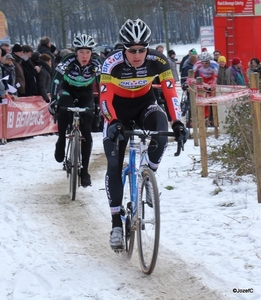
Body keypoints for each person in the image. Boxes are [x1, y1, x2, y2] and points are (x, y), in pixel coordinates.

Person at [99, 18, 188, 250]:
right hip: (117, 111)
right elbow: (105, 99)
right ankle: (116, 223)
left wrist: (177, 122)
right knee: (114, 163)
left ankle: (148, 173)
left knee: (160, 128)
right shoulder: (111, 63)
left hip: (144, 105)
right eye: (132, 50)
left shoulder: (158, 60)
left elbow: (170, 94)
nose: (137, 54)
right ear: (123, 48)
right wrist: (113, 121)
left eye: (141, 49)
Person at [49, 34, 103, 188]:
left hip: (86, 93)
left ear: (92, 52)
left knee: (87, 131)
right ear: (76, 52)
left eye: (87, 52)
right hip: (68, 90)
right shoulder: (68, 60)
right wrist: (53, 99)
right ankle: (61, 140)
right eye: (81, 52)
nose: (84, 56)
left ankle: (84, 171)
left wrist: (100, 103)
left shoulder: (97, 62)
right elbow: (56, 79)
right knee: (64, 110)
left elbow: (102, 84)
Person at [193, 52, 219, 120]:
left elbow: (215, 77)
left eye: (207, 63)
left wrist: (212, 86)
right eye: (203, 63)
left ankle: (211, 116)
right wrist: (188, 83)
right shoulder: (197, 64)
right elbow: (191, 76)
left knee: (210, 98)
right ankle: (198, 115)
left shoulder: (214, 65)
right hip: (202, 79)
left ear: (209, 61)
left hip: (211, 79)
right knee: (199, 97)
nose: (204, 65)